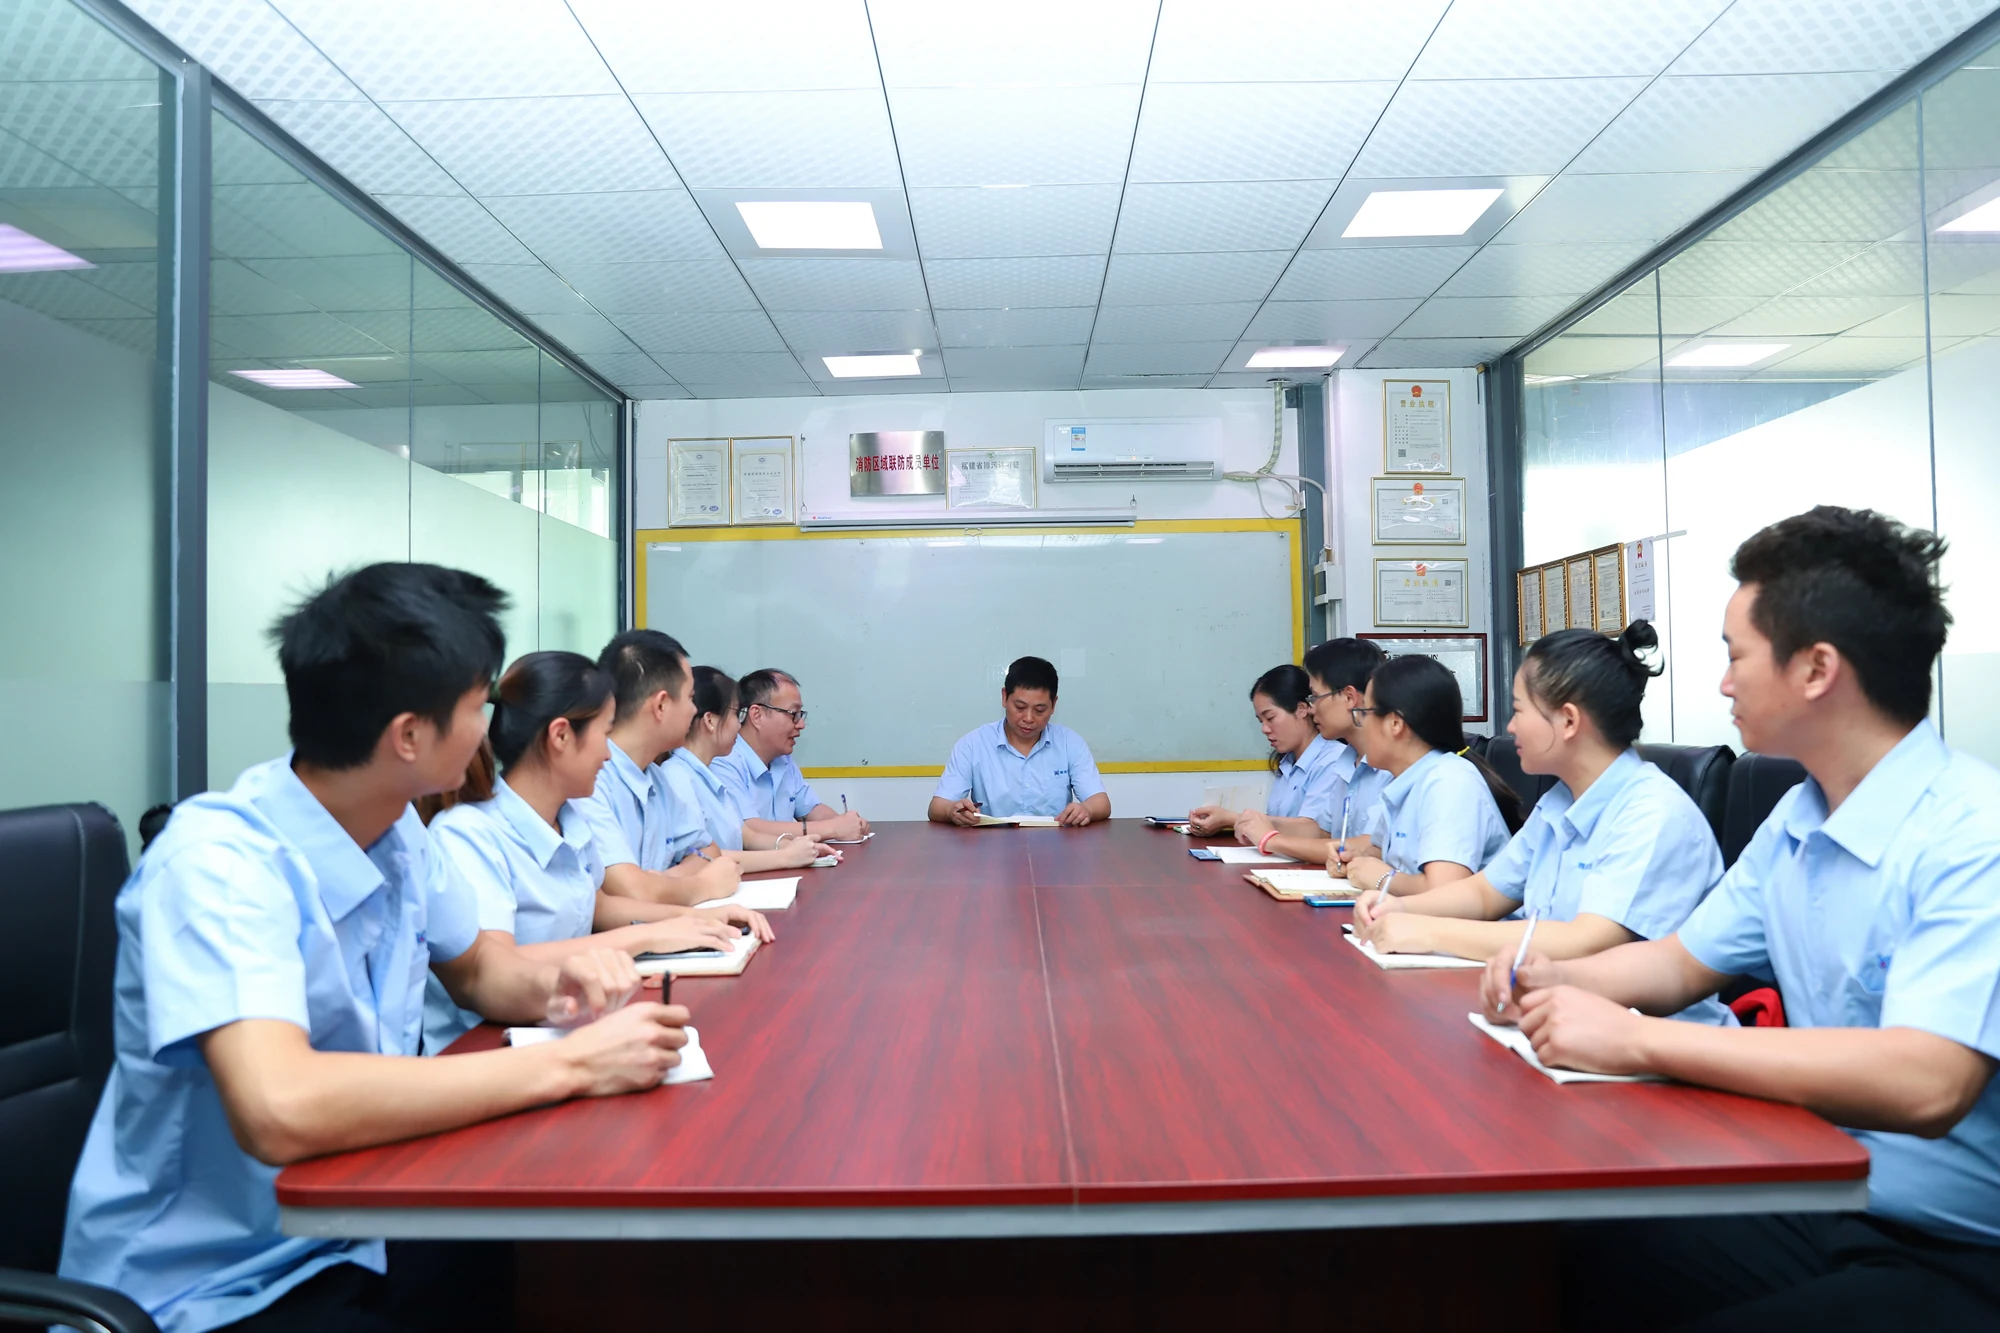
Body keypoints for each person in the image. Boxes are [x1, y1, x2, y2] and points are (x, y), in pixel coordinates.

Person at [59, 564, 688, 1333]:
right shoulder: (219, 864)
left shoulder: (398, 834)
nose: (490, 727)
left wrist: (567, 984)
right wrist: (573, 1064)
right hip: (219, 1285)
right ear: (409, 735)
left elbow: (479, 969)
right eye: (476, 705)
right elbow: (279, 1107)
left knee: (576, 1270)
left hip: (363, 1216)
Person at [1479, 507, 2000, 1330]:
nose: (1723, 683)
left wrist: (1636, 1040)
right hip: (1818, 1188)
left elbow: (1926, 1080)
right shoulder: (1800, 816)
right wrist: (1553, 976)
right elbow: (1679, 963)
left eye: (1735, 655)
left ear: (1817, 669)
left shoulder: (1972, 832)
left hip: (1954, 1244)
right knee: (1566, 1254)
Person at [1348, 624, 1731, 1023]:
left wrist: (1427, 931)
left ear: (1568, 721)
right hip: (1556, 1015)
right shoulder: (1560, 801)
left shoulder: (1652, 812)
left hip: (1644, 1034)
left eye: (1518, 710)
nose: (1510, 727)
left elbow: (1586, 941)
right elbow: (1484, 893)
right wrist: (1398, 907)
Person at [423, 651, 774, 1055]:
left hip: (555, 1020)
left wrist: (695, 920)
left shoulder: (569, 817)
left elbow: (599, 905)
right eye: (604, 734)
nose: (609, 754)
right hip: (482, 1046)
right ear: (560, 737)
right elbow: (498, 964)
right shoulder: (469, 835)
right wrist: (647, 935)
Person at [577, 629, 742, 908]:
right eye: (690, 698)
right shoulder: (591, 781)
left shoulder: (656, 778)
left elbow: (709, 851)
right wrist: (702, 885)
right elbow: (631, 892)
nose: (694, 710)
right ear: (661, 705)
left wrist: (662, 883)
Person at [1335, 654, 1522, 895]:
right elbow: (1381, 852)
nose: (1360, 723)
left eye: (1364, 712)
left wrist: (1381, 878)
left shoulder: (1449, 782)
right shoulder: (1406, 779)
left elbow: (1444, 892)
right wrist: (1354, 859)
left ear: (1395, 723)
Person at [1221, 639, 1392, 862]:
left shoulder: (1391, 765)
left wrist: (1271, 840)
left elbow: (1369, 847)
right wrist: (1258, 822)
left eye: (1315, 697)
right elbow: (1320, 831)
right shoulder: (1347, 762)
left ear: (1349, 698)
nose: (1311, 709)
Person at [660, 666, 839, 873]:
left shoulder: (705, 775)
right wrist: (786, 857)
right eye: (736, 715)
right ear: (710, 721)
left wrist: (795, 847)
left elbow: (746, 835)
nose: (739, 725)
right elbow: (699, 858)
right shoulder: (678, 777)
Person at [929, 655, 1110, 827]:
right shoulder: (972, 745)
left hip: (1055, 843)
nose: (1028, 718)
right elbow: (937, 807)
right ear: (1004, 697)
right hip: (992, 843)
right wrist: (952, 811)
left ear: (1054, 705)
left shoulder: (1070, 743)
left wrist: (1086, 809)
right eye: (1020, 707)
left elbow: (1100, 803)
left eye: (1039, 710)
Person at [712, 667, 871, 842]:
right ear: (757, 715)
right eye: (793, 714)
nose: (801, 724)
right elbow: (749, 829)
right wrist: (833, 828)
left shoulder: (783, 760)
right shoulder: (723, 760)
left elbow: (812, 810)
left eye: (800, 715)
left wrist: (847, 823)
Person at [1187, 665, 1339, 836]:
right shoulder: (1287, 762)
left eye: (1270, 718)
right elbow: (1280, 824)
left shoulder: (1332, 761)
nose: (1265, 729)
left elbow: (1314, 831)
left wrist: (1232, 819)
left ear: (1302, 709)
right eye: (1261, 721)